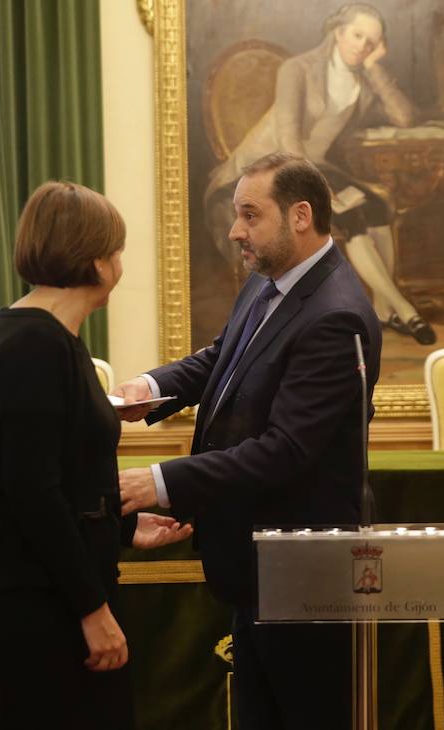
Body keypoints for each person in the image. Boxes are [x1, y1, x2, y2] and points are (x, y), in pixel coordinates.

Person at [116, 153, 381, 729]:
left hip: (302, 572)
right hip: (258, 563)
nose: (236, 230)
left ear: (300, 216)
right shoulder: (270, 282)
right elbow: (224, 356)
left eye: (250, 215)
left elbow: (286, 450)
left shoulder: (335, 315)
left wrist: (160, 482)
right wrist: (152, 387)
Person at [0, 181, 193, 730]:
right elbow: (32, 494)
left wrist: (121, 525)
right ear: (95, 261)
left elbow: (62, 477)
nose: (120, 266)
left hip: (53, 589)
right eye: (117, 252)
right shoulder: (33, 345)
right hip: (42, 603)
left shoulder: (48, 337)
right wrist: (91, 609)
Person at [205, 2, 435, 345]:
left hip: (313, 165)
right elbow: (288, 138)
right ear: (339, 32)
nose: (362, 46)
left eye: (371, 42)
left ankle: (384, 311)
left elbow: (405, 117)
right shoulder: (297, 69)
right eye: (357, 35)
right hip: (267, 168)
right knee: (351, 215)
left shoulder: (362, 81)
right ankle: (405, 309)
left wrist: (374, 68)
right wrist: (323, 191)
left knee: (376, 207)